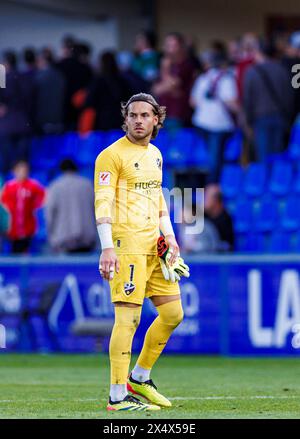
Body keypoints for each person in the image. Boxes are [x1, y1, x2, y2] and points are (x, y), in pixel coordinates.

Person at [94, 93, 189, 411]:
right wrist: (107, 246)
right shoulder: (110, 156)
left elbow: (158, 200)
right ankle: (117, 396)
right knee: (128, 318)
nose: (138, 120)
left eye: (145, 115)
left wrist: (171, 239)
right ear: (126, 119)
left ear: (156, 119)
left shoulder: (156, 155)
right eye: (132, 115)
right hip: (126, 246)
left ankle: (140, 377)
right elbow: (102, 201)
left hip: (154, 247)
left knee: (174, 314)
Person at [190, 47, 239, 183]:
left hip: (200, 122)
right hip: (219, 123)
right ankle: (213, 187)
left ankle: (205, 187)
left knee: (209, 158)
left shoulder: (203, 78)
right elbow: (231, 102)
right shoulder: (227, 80)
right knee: (215, 160)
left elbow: (193, 102)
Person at [242, 38, 294, 161]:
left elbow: (248, 99)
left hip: (260, 118)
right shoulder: (283, 71)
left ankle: (264, 179)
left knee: (263, 155)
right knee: (277, 156)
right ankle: (276, 180)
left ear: (259, 53)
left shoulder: (252, 72)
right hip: (280, 116)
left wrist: (248, 121)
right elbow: (289, 96)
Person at [45, 159, 96, 253]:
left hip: (63, 240)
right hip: (87, 239)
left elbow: (49, 215)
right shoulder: (87, 185)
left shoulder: (55, 186)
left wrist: (51, 236)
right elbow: (97, 211)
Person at [0, 160, 45, 253]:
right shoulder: (9, 186)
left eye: (25, 170)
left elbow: (43, 197)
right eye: (20, 170)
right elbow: (3, 201)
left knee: (28, 253)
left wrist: (34, 207)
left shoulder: (33, 185)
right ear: (14, 171)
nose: (22, 172)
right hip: (13, 229)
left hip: (29, 228)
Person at [152, 33, 196, 127]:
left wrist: (165, 69)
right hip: (162, 112)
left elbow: (172, 85)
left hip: (177, 115)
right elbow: (156, 90)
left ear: (181, 47)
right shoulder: (168, 64)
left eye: (173, 46)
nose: (169, 49)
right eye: (167, 45)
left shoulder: (186, 65)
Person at [204, 184, 234, 251]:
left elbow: (227, 245)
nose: (203, 200)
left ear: (216, 200)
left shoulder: (226, 220)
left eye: (206, 197)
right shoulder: (204, 216)